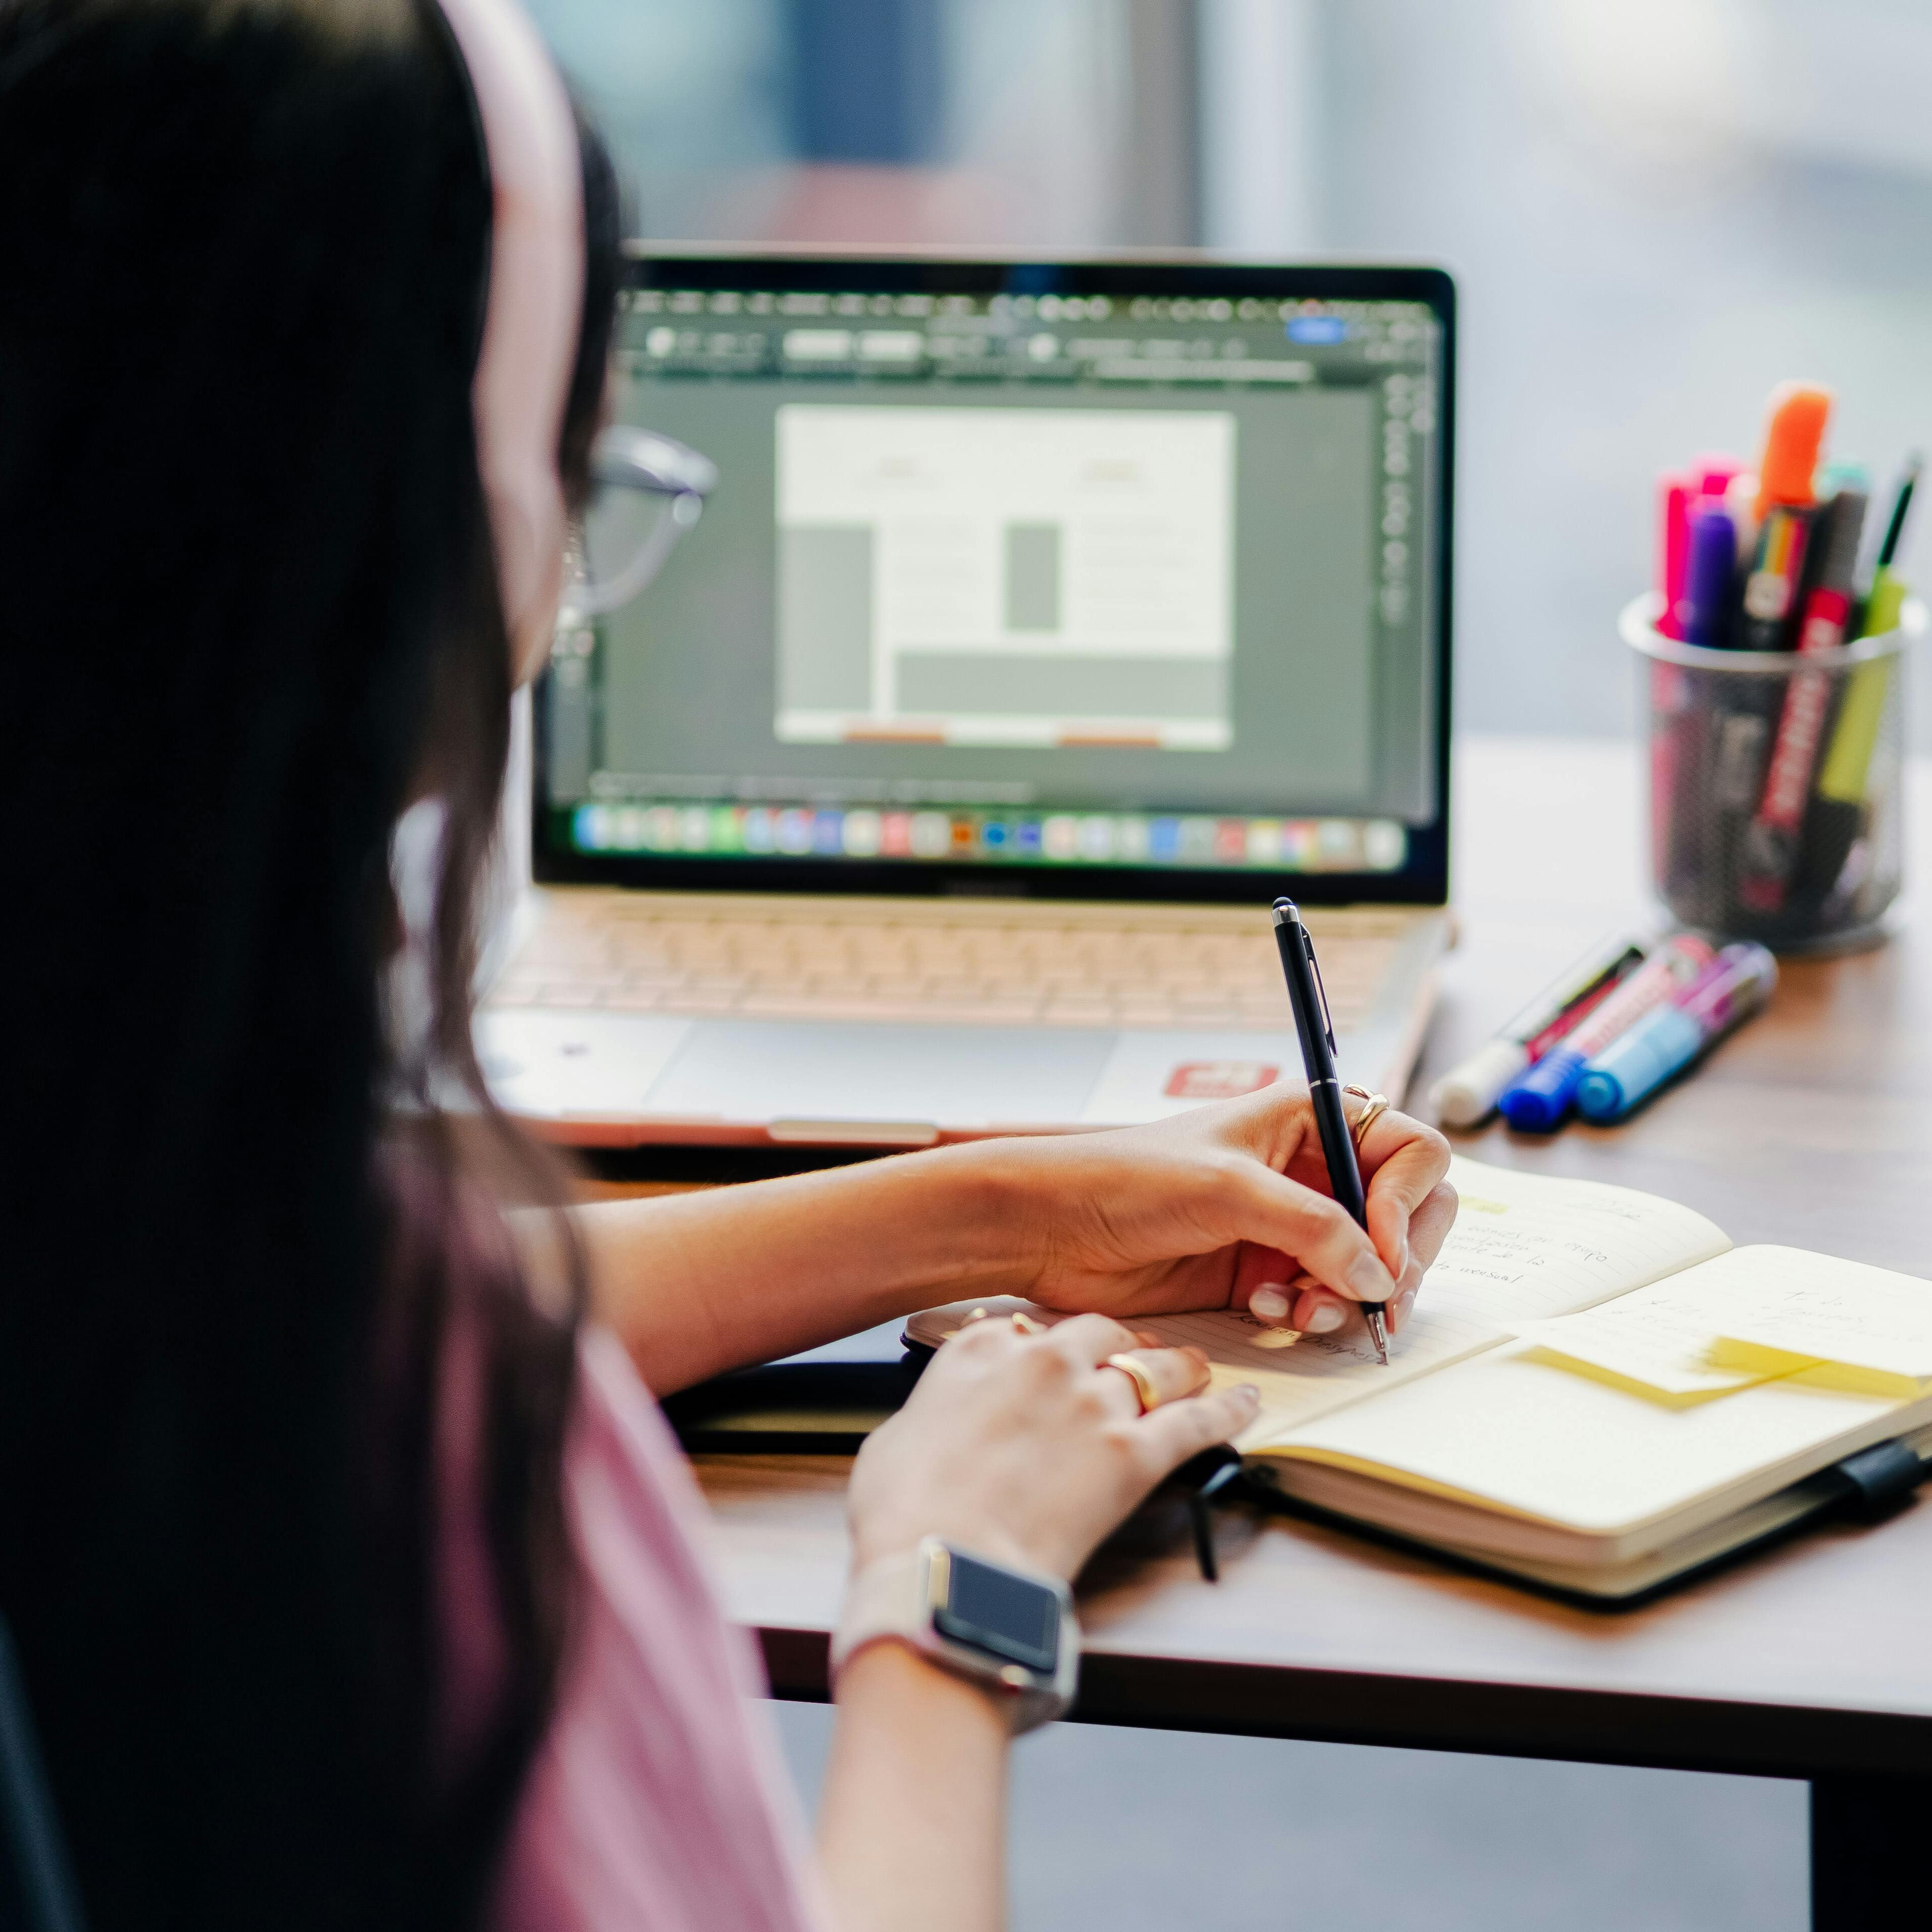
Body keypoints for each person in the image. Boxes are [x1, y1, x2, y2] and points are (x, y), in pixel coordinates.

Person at [0, 0, 1457, 1926]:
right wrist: (953, 1586)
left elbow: (359, 1303)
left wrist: (1006, 1204)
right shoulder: (364, 1489)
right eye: (583, 494)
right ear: (432, 555)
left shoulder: (113, 1146)